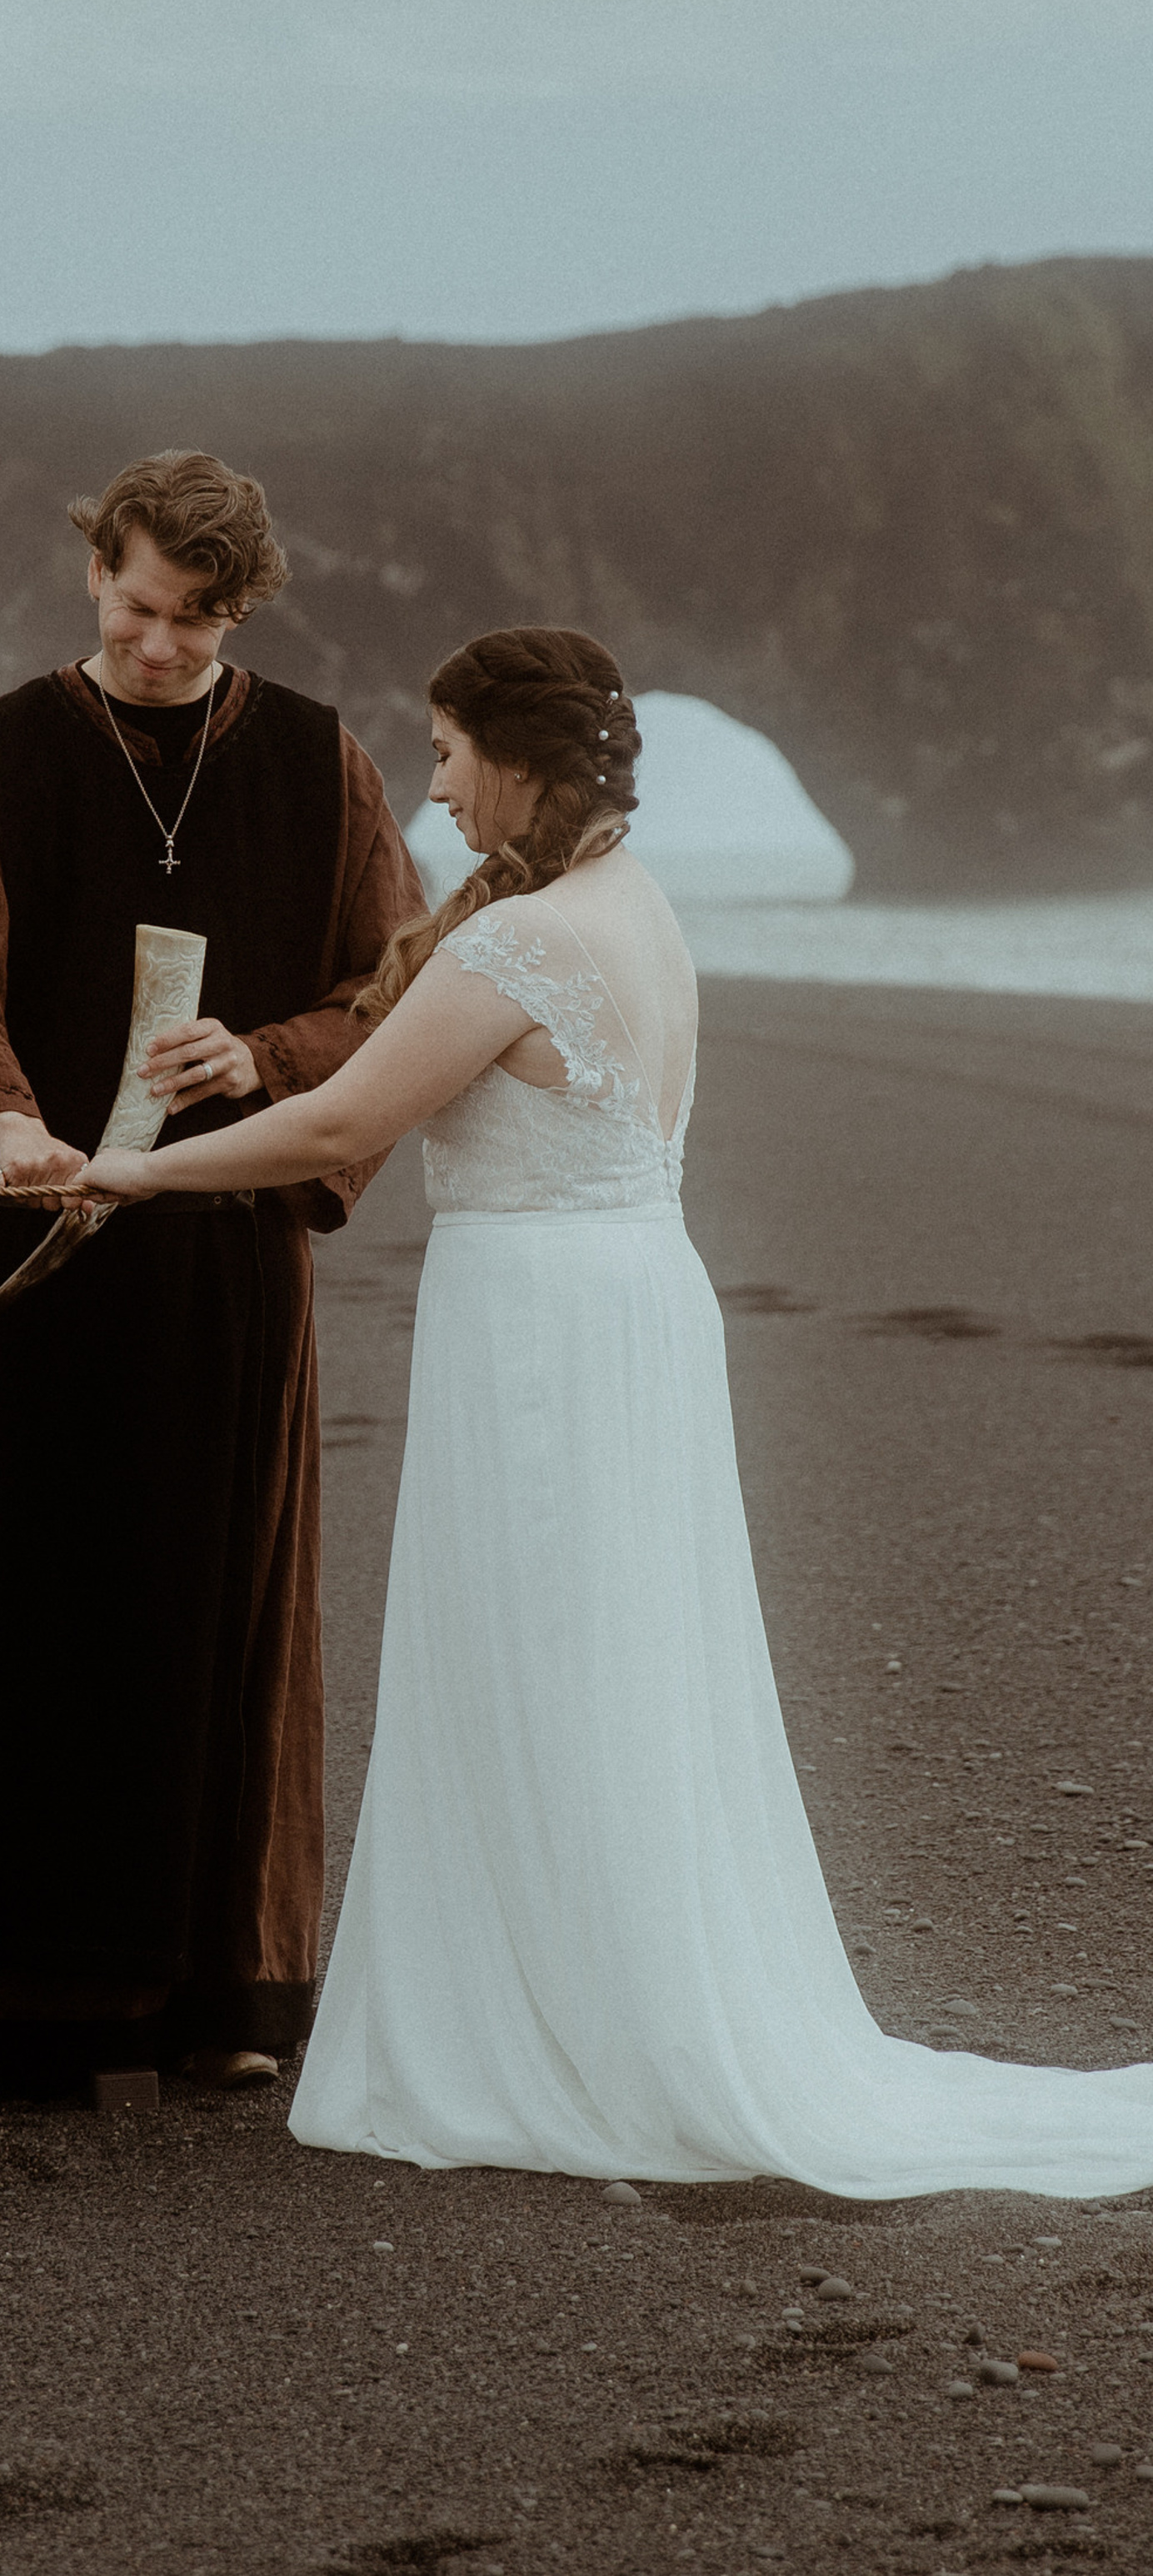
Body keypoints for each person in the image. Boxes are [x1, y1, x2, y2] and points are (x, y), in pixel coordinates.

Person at [83, 624, 1153, 2194]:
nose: (434, 787)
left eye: (448, 755)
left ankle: (565, 2027)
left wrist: (138, 1167)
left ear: (516, 760)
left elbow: (342, 1117)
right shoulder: (639, 910)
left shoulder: (514, 944)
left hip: (538, 1328)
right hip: (641, 1301)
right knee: (624, 1659)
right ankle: (620, 1992)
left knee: (535, 1651)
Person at [0, 452, 425, 2097]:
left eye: (192, 621)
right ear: (95, 572)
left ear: (241, 610)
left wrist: (272, 1051)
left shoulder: (316, 760)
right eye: (132, 606)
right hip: (37, 1240)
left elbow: (397, 984)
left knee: (215, 1607)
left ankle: (210, 1998)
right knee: (12, 1604)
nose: (153, 645)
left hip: (224, 1256)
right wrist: (5, 1120)